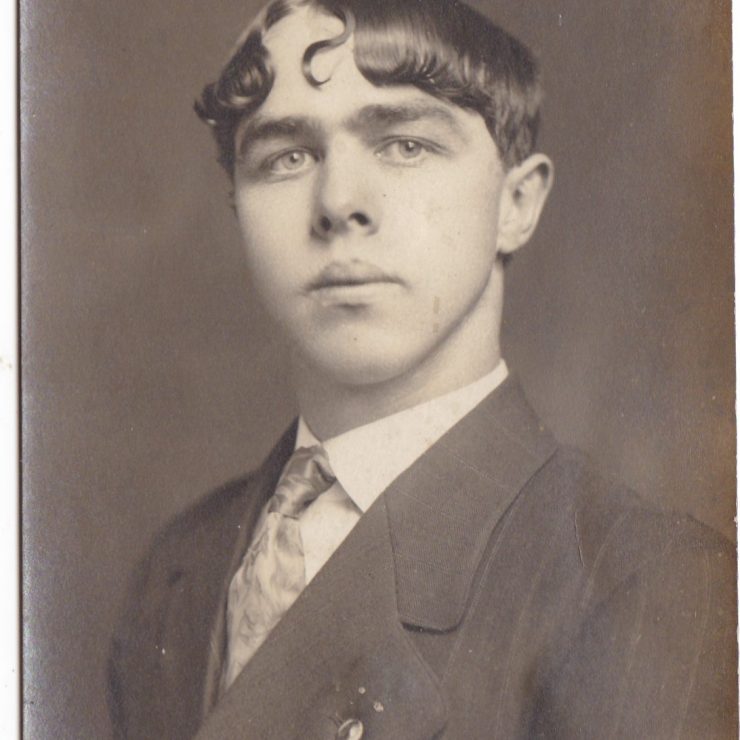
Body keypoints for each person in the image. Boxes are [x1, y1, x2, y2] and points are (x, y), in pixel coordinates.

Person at [107, 0, 737, 737]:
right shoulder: (180, 567)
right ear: (238, 207)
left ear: (516, 203)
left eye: (405, 144)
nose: (339, 203)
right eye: (287, 157)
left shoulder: (646, 586)